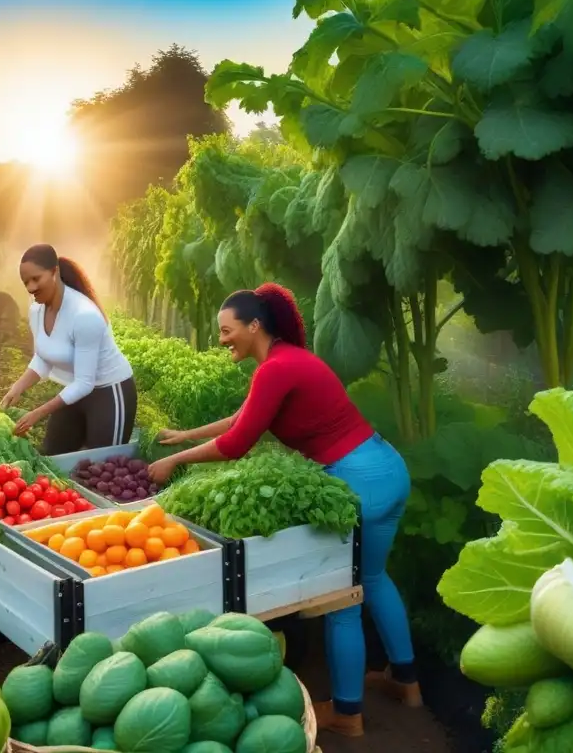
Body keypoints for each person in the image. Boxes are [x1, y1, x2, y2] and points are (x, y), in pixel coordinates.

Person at [146, 283, 421, 738]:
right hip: (386, 469)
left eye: (227, 330)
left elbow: (237, 444)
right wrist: (185, 435)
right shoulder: (289, 360)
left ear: (255, 325)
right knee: (373, 578)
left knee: (342, 597)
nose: (222, 339)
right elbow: (245, 416)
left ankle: (348, 714)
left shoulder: (276, 369)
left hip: (358, 481)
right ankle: (405, 682)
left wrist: (175, 461)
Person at [0, 244, 137, 455]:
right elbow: (43, 358)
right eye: (25, 282)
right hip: (74, 390)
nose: (30, 288)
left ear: (55, 272)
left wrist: (38, 413)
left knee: (104, 466)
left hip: (108, 392)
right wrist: (17, 387)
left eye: (36, 279)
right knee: (53, 455)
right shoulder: (36, 309)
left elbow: (85, 382)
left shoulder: (84, 315)